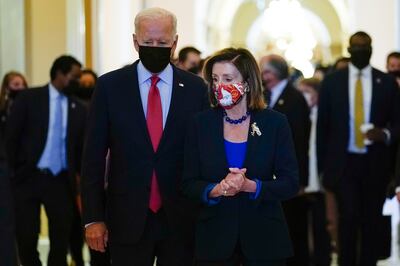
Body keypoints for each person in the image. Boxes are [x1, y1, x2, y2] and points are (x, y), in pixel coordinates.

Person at [81, 7, 208, 266]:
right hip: (126, 216)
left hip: (181, 215)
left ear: (175, 42)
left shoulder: (196, 89)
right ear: (135, 41)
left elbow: (204, 152)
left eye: (162, 42)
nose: (155, 47)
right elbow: (93, 156)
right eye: (148, 42)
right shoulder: (110, 87)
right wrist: (93, 217)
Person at [182, 47, 299, 266]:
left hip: (265, 240)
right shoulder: (200, 124)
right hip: (214, 240)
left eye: (228, 78)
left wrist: (250, 186)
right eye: (215, 79)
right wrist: (217, 189)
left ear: (246, 83)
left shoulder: (274, 123)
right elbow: (188, 183)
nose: (220, 86)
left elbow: (290, 183)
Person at [317, 31, 400, 266]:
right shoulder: (333, 82)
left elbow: (397, 122)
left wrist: (383, 134)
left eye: (366, 47)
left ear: (371, 50)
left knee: (371, 220)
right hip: (343, 163)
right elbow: (323, 128)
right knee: (348, 218)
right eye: (357, 47)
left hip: (375, 162)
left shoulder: (385, 82)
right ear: (349, 50)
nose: (361, 51)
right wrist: (322, 169)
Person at [6, 55, 87, 266]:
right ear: (60, 74)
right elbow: (11, 137)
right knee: (26, 237)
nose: (78, 81)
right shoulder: (29, 98)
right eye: (75, 76)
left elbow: (80, 149)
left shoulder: (78, 108)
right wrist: (13, 173)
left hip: (60, 181)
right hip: (28, 178)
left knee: (61, 240)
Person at [259, 54, 311, 266]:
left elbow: (299, 140)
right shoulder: (264, 95)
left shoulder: (294, 98)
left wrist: (299, 179)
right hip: (269, 174)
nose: (263, 77)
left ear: (277, 73)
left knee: (294, 226)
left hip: (290, 172)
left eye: (266, 72)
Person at [297, 78, 332, 266]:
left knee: (321, 229)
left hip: (319, 184)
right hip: (303, 185)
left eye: (307, 92)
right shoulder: (302, 116)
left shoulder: (322, 117)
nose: (304, 97)